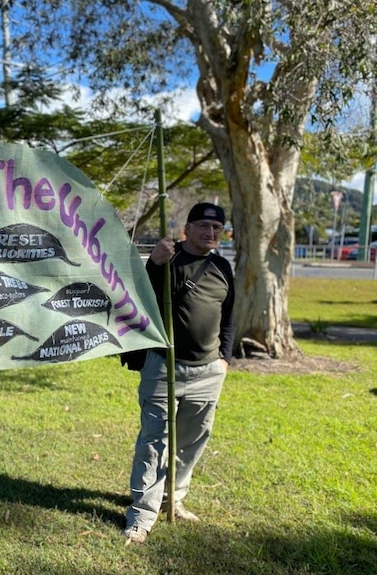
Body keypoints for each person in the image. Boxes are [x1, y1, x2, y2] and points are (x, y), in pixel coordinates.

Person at [122, 202, 235, 544]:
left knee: (191, 441)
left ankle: (175, 497)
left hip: (208, 370)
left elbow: (228, 315)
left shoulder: (222, 266)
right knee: (154, 441)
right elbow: (144, 298)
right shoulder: (167, 261)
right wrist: (155, 264)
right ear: (187, 228)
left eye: (216, 228)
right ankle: (142, 514)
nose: (210, 233)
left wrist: (225, 358)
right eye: (203, 226)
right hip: (164, 366)